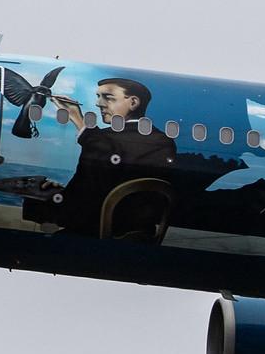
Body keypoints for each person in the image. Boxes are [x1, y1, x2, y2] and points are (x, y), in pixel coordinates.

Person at [51, 77, 177, 237]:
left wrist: (78, 120)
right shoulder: (164, 140)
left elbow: (89, 190)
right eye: (98, 96)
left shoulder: (107, 140)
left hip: (95, 234)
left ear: (133, 103)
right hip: (141, 235)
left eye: (108, 97)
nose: (98, 103)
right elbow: (114, 181)